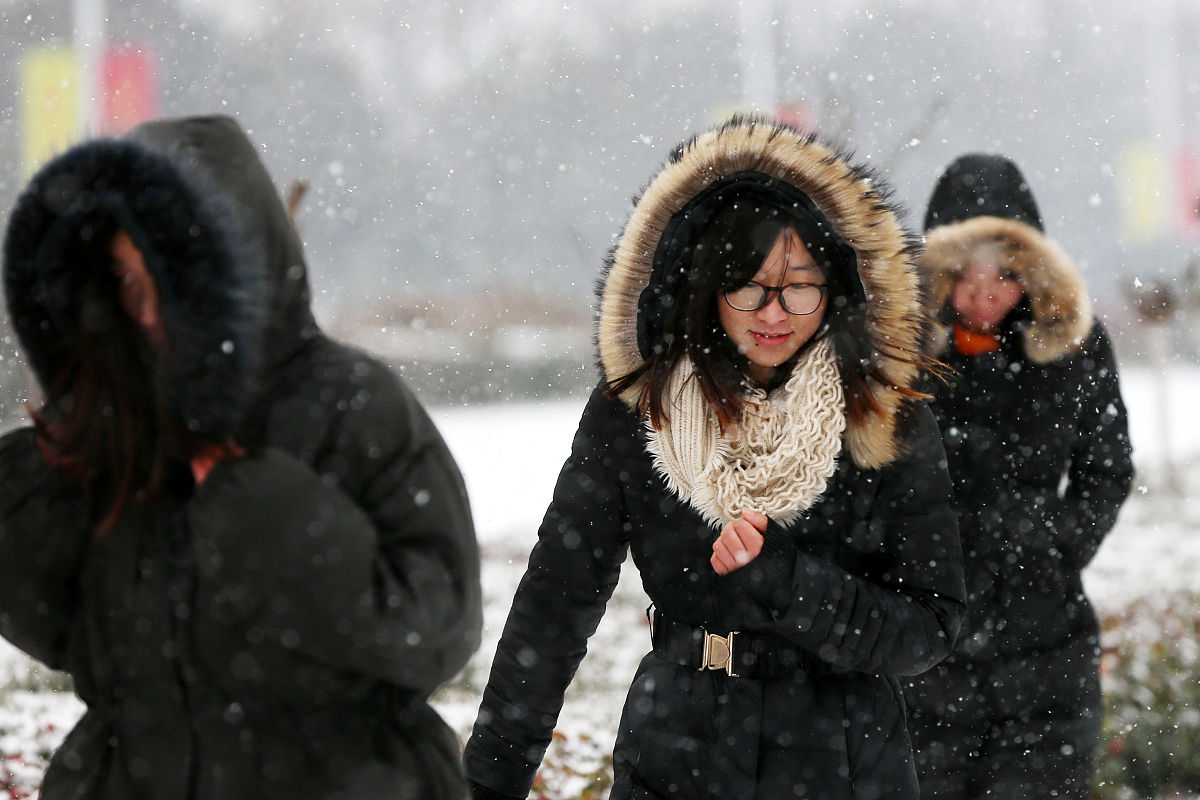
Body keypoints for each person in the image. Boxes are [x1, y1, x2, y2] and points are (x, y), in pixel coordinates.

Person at [463, 116, 966, 800]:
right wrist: (488, 780)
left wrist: (788, 583)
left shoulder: (880, 418)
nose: (775, 311)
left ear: (834, 287)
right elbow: (555, 606)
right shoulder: (640, 411)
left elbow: (929, 626)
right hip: (677, 752)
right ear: (705, 285)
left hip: (843, 763)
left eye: (800, 285)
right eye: (749, 285)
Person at [0, 114, 482, 799]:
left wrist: (256, 505)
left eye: (168, 277)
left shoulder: (353, 404)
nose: (145, 312)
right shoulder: (121, 430)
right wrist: (42, 480)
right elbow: (78, 638)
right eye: (123, 282)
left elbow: (435, 628)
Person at [903, 153, 1134, 799]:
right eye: (965, 275)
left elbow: (1107, 468)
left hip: (1046, 652)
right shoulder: (897, 360)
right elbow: (860, 478)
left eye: (1005, 273)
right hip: (923, 652)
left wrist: (1055, 542)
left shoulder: (1075, 349)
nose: (984, 294)